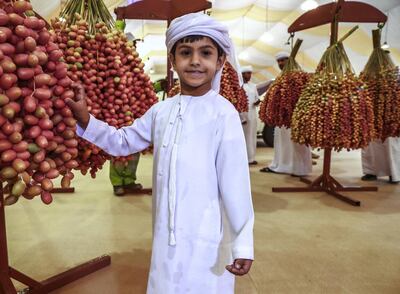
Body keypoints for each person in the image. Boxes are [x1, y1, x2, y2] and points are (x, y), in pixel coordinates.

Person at [67, 13, 254, 294]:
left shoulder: (223, 114)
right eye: (185, 52)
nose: (194, 61)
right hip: (166, 231)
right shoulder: (161, 110)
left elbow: (236, 184)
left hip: (207, 232)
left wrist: (243, 242)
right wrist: (86, 120)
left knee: (205, 284)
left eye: (205, 53)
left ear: (220, 62)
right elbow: (123, 141)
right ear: (172, 60)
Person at [259, 51, 313, 176]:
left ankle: (300, 169)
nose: (281, 63)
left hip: (297, 117)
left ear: (290, 60)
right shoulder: (280, 78)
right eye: (279, 61)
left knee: (298, 143)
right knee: (281, 142)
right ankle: (282, 166)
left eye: (283, 60)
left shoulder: (300, 77)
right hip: (282, 118)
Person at [241, 66, 260, 165]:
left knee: (252, 136)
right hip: (243, 115)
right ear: (242, 74)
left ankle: (251, 157)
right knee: (244, 137)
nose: (249, 75)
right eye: (247, 73)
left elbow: (257, 98)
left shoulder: (253, 86)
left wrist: (257, 101)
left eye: (250, 73)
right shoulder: (239, 86)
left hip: (252, 114)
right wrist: (241, 117)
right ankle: (244, 159)